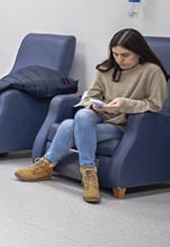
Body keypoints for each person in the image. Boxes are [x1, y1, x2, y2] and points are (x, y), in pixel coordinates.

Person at [14, 28, 167, 203]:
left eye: (125, 55)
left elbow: (155, 105)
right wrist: (94, 104)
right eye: (115, 54)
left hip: (122, 125)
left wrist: (124, 104)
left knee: (67, 126)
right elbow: (90, 96)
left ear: (139, 52)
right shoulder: (106, 68)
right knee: (84, 115)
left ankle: (47, 165)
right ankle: (89, 171)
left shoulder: (152, 72)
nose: (119, 60)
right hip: (100, 116)